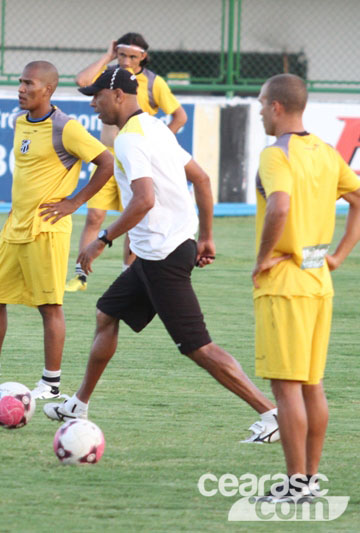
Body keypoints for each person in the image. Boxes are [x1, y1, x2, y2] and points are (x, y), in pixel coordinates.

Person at [42, 67, 279, 445]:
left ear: (118, 94)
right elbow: (200, 178)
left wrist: (100, 240)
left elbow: (144, 200)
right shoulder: (156, 129)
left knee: (197, 346)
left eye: (98, 95)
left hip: (163, 255)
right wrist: (206, 238)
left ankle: (270, 413)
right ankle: (78, 404)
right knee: (106, 312)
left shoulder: (130, 140)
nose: (93, 103)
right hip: (170, 247)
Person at [0, 61, 114, 399]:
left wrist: (73, 202)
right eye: (20, 82)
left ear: (48, 89)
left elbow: (106, 163)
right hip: (15, 227)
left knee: (50, 306)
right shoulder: (20, 122)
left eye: (29, 83)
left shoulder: (65, 127)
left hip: (47, 230)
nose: (21, 89)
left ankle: (51, 385)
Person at [252, 74, 360, 501]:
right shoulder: (326, 152)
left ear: (277, 106)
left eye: (262, 102)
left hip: (286, 284)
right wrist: (337, 256)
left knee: (287, 387)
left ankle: (297, 485)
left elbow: (280, 204)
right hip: (319, 282)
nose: (259, 109)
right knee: (312, 383)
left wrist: (262, 256)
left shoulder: (276, 154)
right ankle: (308, 481)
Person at [66, 32, 187, 292]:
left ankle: (128, 274)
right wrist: (106, 57)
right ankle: (80, 275)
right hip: (108, 157)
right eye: (122, 54)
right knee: (95, 215)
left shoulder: (154, 83)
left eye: (133, 56)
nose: (127, 60)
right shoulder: (110, 75)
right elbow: (82, 81)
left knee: (133, 217)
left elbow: (179, 116)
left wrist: (160, 142)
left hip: (135, 160)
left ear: (143, 56)